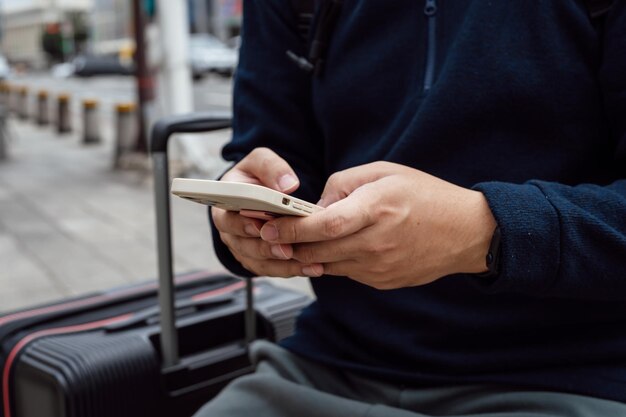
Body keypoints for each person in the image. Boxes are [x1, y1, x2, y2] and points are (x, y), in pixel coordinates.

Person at [195, 1, 626, 416]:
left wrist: (484, 231)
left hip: (570, 376)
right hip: (325, 365)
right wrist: (241, 221)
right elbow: (268, 157)